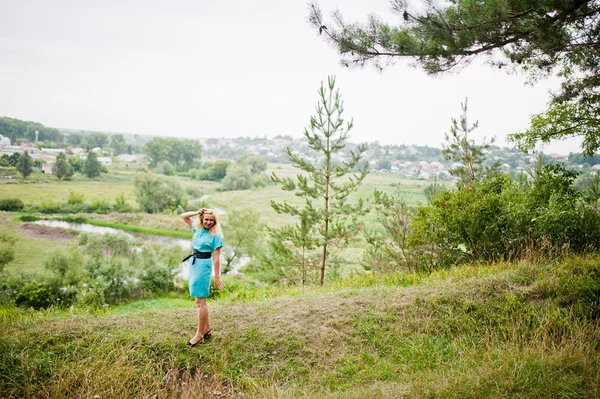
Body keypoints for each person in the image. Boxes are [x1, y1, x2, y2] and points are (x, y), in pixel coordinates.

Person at [180, 207, 225, 346]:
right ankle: (206, 329)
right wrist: (197, 212)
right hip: (194, 264)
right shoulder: (197, 228)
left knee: (201, 302)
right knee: (198, 301)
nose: (208, 222)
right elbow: (183, 216)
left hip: (204, 266)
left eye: (211, 220)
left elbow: (216, 258)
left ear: (215, 221)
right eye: (206, 219)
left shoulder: (216, 235)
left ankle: (199, 335)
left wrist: (217, 278)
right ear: (202, 219)